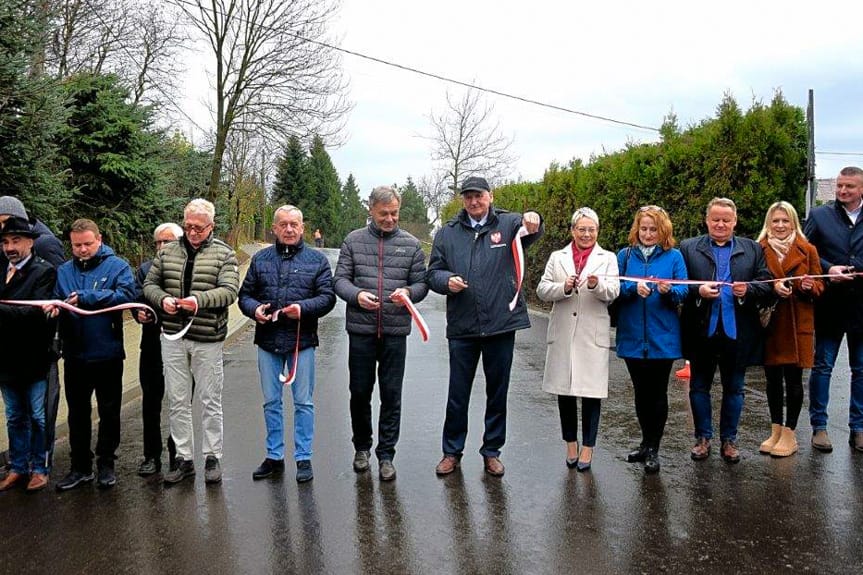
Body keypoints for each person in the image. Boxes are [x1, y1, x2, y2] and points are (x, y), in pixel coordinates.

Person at [427, 176, 543, 477]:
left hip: (501, 325)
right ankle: (451, 451)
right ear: (463, 200)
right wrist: (446, 282)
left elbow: (532, 229)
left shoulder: (508, 224)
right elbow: (433, 273)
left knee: (497, 392)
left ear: (490, 197)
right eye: (468, 197)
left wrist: (535, 220)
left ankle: (492, 451)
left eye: (478, 196)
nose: (474, 202)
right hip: (463, 326)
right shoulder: (447, 234)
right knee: (458, 394)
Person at [333, 186, 429, 481]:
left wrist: (409, 292)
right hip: (361, 330)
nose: (390, 219)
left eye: (394, 213)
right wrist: (357, 295)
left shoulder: (411, 245)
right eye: (384, 213)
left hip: (395, 331)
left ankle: (386, 454)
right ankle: (361, 447)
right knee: (360, 393)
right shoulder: (353, 240)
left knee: (391, 394)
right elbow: (340, 281)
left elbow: (422, 284)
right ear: (371, 211)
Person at [144, 199, 239, 485]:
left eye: (199, 227)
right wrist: (163, 300)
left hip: (207, 336)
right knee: (177, 400)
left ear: (211, 226)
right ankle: (184, 458)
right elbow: (150, 284)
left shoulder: (225, 253)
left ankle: (212, 456)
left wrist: (197, 301)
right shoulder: (168, 251)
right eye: (188, 226)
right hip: (172, 335)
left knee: (210, 399)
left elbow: (229, 291)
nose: (193, 231)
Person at [239, 205, 335, 483]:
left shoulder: (317, 261)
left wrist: (303, 308)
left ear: (303, 228)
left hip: (301, 341)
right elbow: (244, 295)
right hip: (268, 341)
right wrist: (254, 309)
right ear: (274, 228)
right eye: (283, 224)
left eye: (294, 224)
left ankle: (303, 458)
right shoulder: (260, 259)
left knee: (303, 402)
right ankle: (274, 456)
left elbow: (327, 297)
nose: (289, 229)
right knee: (271, 402)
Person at [680, 197, 772, 463]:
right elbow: (677, 283)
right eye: (715, 219)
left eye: (726, 220)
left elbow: (766, 282)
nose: (720, 224)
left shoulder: (753, 249)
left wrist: (749, 290)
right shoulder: (688, 248)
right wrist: (698, 291)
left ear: (735, 221)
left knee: (735, 388)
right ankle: (703, 438)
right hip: (701, 330)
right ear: (707, 220)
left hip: (737, 331)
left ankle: (729, 441)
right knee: (699, 386)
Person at [47, 219, 137, 490]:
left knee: (109, 411)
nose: (83, 250)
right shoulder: (63, 270)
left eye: (88, 244)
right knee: (77, 413)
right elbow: (56, 298)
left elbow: (125, 296)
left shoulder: (118, 266)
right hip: (75, 354)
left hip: (107, 352)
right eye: (77, 245)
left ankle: (107, 463)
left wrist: (86, 297)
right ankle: (80, 467)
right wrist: (54, 310)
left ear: (99, 240)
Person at [537, 207, 619, 472]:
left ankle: (588, 447)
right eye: (581, 229)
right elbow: (542, 289)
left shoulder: (607, 258)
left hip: (591, 333)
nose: (586, 234)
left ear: (598, 231)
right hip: (563, 331)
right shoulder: (557, 257)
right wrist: (564, 288)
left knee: (591, 393)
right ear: (572, 230)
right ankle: (570, 443)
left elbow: (614, 291)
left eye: (591, 229)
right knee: (566, 392)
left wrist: (596, 286)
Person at [615, 206, 688, 473]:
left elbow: (684, 290)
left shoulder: (674, 257)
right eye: (643, 228)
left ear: (663, 230)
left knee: (657, 394)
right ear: (637, 229)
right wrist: (633, 288)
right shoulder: (624, 255)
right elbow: (614, 288)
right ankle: (645, 443)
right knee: (640, 393)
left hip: (662, 337)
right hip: (632, 335)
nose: (648, 234)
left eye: (653, 229)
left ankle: (654, 448)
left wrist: (669, 291)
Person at [0, 197, 64, 477]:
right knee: (14, 416)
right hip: (6, 358)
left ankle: (40, 466)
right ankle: (17, 465)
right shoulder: (2, 268)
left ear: (30, 241)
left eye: (15, 240)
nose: (9, 247)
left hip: (36, 356)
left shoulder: (44, 265)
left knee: (39, 415)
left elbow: (39, 311)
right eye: (5, 242)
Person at [756, 202, 823, 457]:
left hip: (797, 323)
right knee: (772, 380)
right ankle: (775, 429)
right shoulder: (758, 249)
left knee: (794, 380)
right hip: (771, 323)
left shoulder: (807, 250)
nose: (781, 226)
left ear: (794, 222)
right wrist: (772, 288)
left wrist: (808, 287)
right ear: (768, 223)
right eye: (776, 221)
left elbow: (820, 286)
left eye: (785, 221)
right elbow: (755, 281)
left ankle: (790, 433)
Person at [804, 166, 863, 453]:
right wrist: (828, 269)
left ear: (861, 189)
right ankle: (820, 427)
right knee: (823, 367)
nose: (842, 191)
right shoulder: (819, 216)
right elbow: (805, 252)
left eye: (849, 186)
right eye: (840, 185)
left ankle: (859, 428)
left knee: (861, 370)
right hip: (830, 306)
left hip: (861, 308)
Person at [132, 223, 183, 476]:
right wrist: (138, 313)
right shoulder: (143, 270)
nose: (162, 247)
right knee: (151, 403)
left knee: (179, 402)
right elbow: (135, 298)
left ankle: (178, 454)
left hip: (181, 345)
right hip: (151, 345)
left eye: (168, 242)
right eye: (159, 243)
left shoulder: (188, 267)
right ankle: (151, 455)